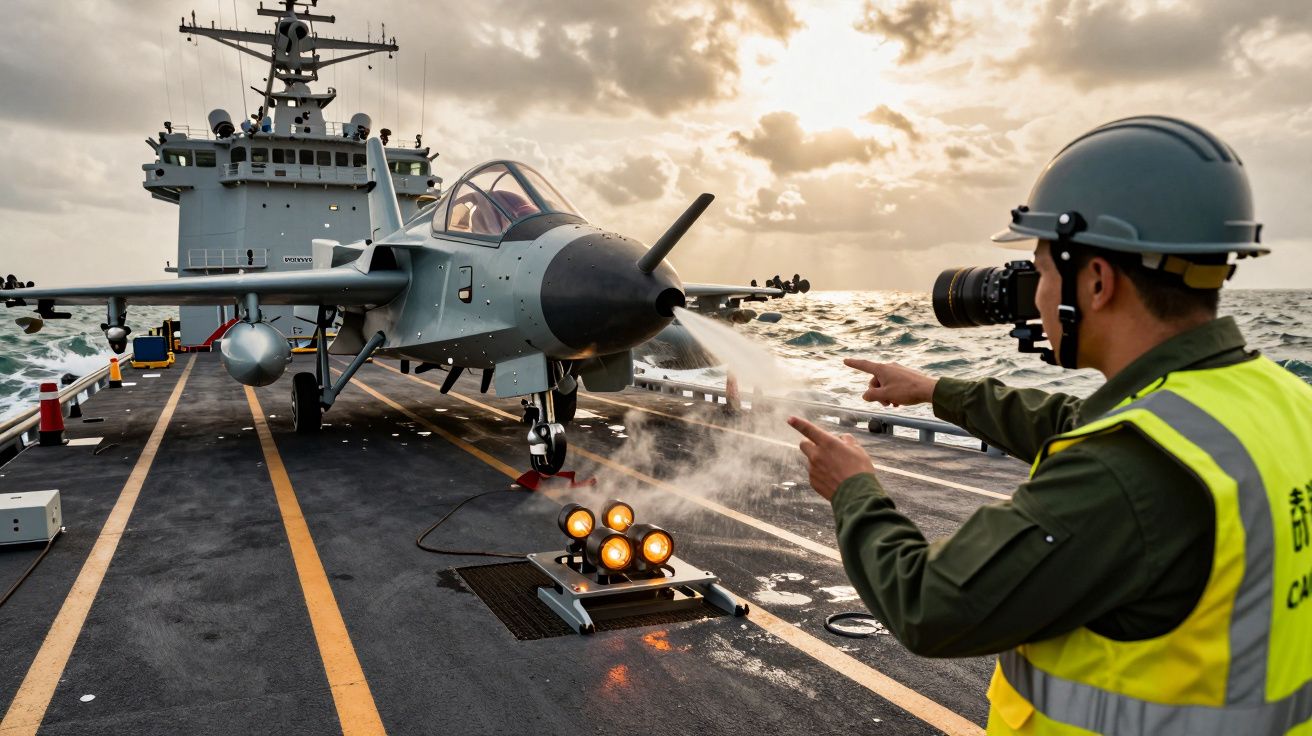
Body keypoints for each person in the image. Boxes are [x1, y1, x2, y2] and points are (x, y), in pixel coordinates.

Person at [788, 116, 1312, 735]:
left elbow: (929, 605)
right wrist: (936, 389)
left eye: (1039, 268)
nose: (1031, 295)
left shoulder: (1124, 471)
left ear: (1096, 281)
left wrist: (854, 489)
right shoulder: (1281, 401)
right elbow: (1081, 419)